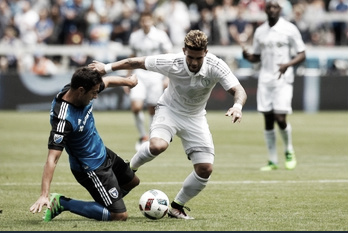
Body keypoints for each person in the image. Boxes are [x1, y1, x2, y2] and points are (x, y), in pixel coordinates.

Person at [89, 29, 247, 219]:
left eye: (198, 57)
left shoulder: (216, 65)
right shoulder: (172, 62)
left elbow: (239, 90)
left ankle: (177, 207)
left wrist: (237, 106)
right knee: (157, 145)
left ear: (205, 52)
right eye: (190, 57)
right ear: (183, 51)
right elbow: (136, 61)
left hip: (195, 117)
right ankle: (127, 172)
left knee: (205, 169)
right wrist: (105, 68)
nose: (194, 62)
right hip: (169, 111)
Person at [29, 67, 140, 222]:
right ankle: (62, 203)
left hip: (102, 152)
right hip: (91, 168)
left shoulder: (80, 88)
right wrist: (43, 194)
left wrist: (129, 82)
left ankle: (107, 201)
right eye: (93, 93)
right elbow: (52, 159)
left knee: (132, 181)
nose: (96, 96)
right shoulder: (63, 120)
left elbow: (106, 81)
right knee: (119, 216)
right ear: (81, 91)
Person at [242, 0, 306, 171]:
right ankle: (272, 161)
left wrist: (287, 64)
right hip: (265, 79)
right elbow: (257, 56)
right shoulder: (260, 31)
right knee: (268, 119)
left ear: (280, 9)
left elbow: (302, 54)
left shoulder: (289, 29)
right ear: (265, 10)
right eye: (269, 7)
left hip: (283, 79)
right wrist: (248, 57)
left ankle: (289, 150)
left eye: (275, 7)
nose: (272, 10)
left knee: (280, 117)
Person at [126, 11, 173, 151]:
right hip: (139, 74)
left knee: (152, 108)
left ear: (152, 21)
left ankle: (152, 136)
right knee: (136, 107)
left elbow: (169, 56)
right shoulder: (134, 36)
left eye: (148, 20)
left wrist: (168, 77)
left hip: (156, 75)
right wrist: (127, 76)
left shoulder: (160, 35)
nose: (146, 23)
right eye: (143, 21)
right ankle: (142, 136)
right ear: (140, 22)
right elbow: (132, 56)